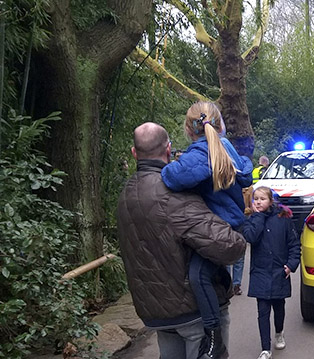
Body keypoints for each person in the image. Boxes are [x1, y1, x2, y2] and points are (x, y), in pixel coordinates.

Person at [117, 122, 246, 359]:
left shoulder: (126, 194)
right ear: (169, 149)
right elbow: (229, 246)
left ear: (134, 153)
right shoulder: (173, 194)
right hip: (194, 312)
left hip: (155, 313)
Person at [161, 101, 253, 359]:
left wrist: (168, 165)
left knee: (198, 276)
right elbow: (245, 174)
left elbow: (173, 178)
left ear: (190, 131)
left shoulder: (201, 153)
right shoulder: (226, 147)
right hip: (231, 228)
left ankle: (211, 336)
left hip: (216, 232)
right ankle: (216, 322)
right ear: (220, 125)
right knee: (211, 276)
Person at [240, 187, 300, 359]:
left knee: (279, 307)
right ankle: (265, 348)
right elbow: (250, 237)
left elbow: (294, 245)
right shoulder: (251, 219)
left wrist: (290, 265)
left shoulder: (284, 219)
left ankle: (279, 332)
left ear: (271, 201)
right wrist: (258, 216)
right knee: (263, 311)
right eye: (255, 199)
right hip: (260, 272)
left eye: (262, 199)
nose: (258, 202)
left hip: (279, 271)